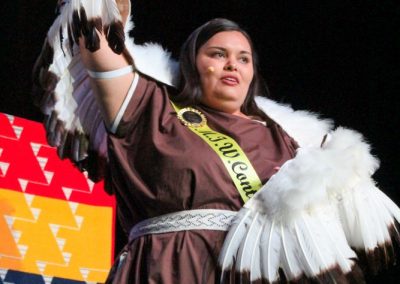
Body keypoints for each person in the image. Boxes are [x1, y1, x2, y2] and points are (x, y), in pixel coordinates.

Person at [33, 1, 400, 283]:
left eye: (243, 58)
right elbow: (97, 40)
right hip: (165, 268)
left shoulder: (288, 138)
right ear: (193, 63)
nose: (232, 65)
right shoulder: (150, 107)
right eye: (218, 54)